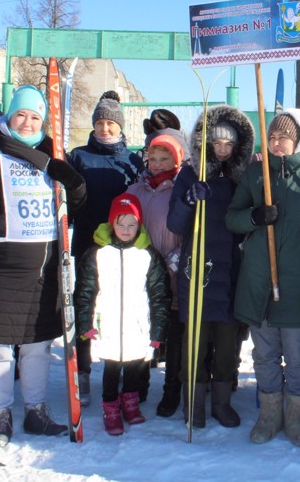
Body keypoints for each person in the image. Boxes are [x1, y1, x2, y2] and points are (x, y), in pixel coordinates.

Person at [0, 85, 87, 447]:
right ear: (10, 115)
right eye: (21, 114)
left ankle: (36, 411)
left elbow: (75, 201)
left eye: (35, 117)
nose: (27, 123)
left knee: (37, 345)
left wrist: (74, 182)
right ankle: (0, 414)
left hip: (41, 269)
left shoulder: (50, 155)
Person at [225, 109, 300, 447]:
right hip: (258, 283)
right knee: (263, 355)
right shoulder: (255, 176)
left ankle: (297, 416)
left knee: (298, 356)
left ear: (299, 140)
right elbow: (232, 218)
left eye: (284, 137)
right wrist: (254, 216)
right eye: (272, 137)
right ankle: (270, 413)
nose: (277, 143)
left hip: (297, 286)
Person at [168, 105, 253, 429]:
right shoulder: (191, 173)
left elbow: (248, 220)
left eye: (228, 144)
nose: (222, 149)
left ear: (237, 146)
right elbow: (175, 224)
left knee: (227, 345)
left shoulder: (241, 177)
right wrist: (189, 199)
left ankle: (221, 403)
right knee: (195, 342)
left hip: (231, 270)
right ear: (205, 142)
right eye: (216, 143)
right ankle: (194, 404)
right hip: (198, 268)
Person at [68, 91, 144, 406]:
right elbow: (67, 200)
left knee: (120, 308)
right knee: (85, 305)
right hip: (87, 241)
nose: (105, 128)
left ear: (121, 126)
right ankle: (82, 370)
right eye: (100, 122)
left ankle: (123, 368)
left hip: (120, 245)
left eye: (111, 122)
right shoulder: (78, 155)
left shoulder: (133, 160)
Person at [74, 193, 171, 435]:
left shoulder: (148, 255)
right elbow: (85, 291)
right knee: (112, 366)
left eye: (132, 225)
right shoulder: (97, 254)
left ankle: (130, 403)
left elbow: (160, 296)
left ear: (139, 225)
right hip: (108, 323)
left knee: (135, 366)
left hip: (138, 323)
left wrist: (158, 330)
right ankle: (111, 407)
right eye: (121, 224)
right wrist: (85, 322)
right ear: (111, 223)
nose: (126, 230)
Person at [126, 132, 185, 418]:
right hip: (141, 274)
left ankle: (172, 389)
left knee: (173, 335)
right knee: (142, 330)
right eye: (154, 158)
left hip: (172, 273)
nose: (158, 164)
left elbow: (191, 231)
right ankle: (138, 385)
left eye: (166, 159)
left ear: (177, 159)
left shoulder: (181, 189)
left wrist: (173, 262)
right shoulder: (136, 189)